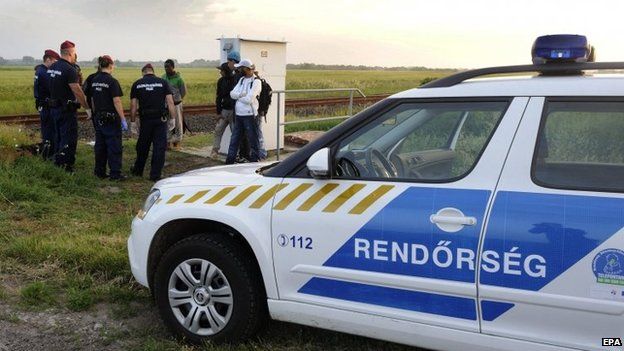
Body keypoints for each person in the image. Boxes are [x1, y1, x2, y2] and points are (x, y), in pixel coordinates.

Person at [130, 63, 177, 181]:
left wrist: (133, 121)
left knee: (142, 146)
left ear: (143, 72)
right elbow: (170, 102)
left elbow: (133, 106)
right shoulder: (163, 82)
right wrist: (173, 118)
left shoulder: (137, 84)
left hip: (145, 120)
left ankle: (138, 171)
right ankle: (155, 175)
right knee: (159, 147)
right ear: (152, 71)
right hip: (160, 120)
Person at [47, 40, 89, 173]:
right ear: (71, 53)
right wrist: (87, 107)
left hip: (54, 108)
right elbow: (76, 89)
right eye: (75, 53)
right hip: (66, 110)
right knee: (68, 137)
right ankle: (66, 167)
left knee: (58, 136)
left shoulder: (52, 67)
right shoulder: (69, 69)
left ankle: (57, 162)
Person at [87, 55, 128, 180]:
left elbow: (92, 99)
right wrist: (122, 118)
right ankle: (115, 174)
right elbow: (116, 101)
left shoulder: (94, 80)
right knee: (114, 146)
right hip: (111, 119)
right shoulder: (112, 81)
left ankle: (99, 172)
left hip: (98, 117)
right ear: (111, 65)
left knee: (100, 146)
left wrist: (95, 114)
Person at [226, 58, 262, 164]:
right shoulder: (242, 80)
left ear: (246, 69)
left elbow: (249, 99)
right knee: (234, 140)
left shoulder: (256, 82)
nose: (239, 70)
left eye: (241, 68)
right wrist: (241, 95)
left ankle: (255, 161)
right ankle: (230, 161)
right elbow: (232, 93)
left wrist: (238, 96)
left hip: (250, 115)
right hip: (239, 115)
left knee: (253, 140)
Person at [34, 49, 60, 160]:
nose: (55, 64)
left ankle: (47, 154)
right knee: (50, 132)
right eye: (54, 61)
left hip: (42, 104)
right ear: (48, 59)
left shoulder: (39, 70)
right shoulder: (44, 72)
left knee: (47, 131)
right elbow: (52, 89)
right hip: (47, 106)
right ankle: (49, 155)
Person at [211, 62, 237, 158]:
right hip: (224, 111)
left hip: (234, 111)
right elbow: (218, 97)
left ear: (226, 71)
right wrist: (218, 112)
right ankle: (215, 150)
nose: (220, 72)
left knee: (234, 133)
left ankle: (234, 154)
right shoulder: (220, 81)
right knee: (218, 130)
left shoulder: (236, 80)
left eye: (221, 70)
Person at [162, 59, 186, 149]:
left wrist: (177, 100)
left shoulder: (179, 79)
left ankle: (177, 142)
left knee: (178, 124)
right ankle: (168, 143)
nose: (166, 68)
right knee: (168, 123)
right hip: (166, 105)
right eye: (165, 67)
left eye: (168, 66)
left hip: (176, 104)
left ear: (173, 67)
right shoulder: (163, 77)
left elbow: (183, 92)